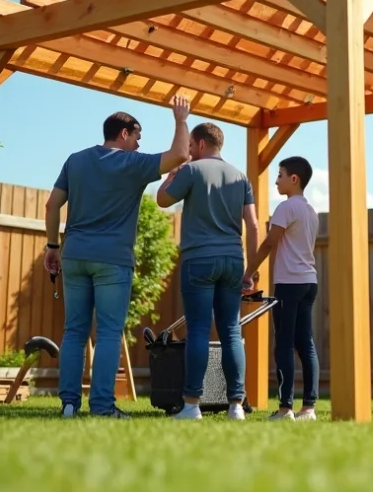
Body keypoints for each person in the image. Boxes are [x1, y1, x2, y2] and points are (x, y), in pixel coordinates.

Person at [43, 96, 191, 419]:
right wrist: (180, 119)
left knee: (74, 331)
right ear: (123, 134)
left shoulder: (75, 160)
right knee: (109, 332)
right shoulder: (132, 165)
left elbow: (52, 204)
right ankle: (102, 406)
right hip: (112, 260)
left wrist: (52, 246)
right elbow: (181, 154)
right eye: (137, 137)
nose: (139, 145)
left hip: (75, 256)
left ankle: (69, 404)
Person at [156, 121, 259, 421]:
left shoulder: (191, 171)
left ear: (200, 144)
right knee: (231, 330)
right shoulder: (241, 177)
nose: (188, 151)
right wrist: (251, 270)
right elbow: (252, 226)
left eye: (189, 146)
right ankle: (236, 406)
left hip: (198, 260)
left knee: (199, 329)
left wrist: (172, 173)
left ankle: (191, 405)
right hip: (232, 260)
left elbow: (162, 200)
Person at [243, 156, 320, 421]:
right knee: (305, 343)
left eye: (280, 175)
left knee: (284, 344)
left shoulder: (286, 208)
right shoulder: (310, 211)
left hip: (290, 284)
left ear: (294, 179)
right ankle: (309, 408)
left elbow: (268, 244)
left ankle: (286, 408)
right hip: (310, 282)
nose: (276, 180)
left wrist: (249, 272)